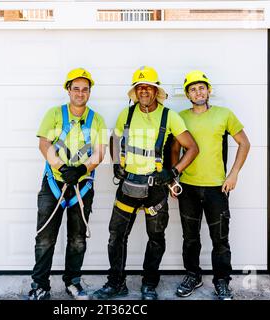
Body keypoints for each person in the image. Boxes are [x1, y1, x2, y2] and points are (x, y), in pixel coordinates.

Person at [92, 66, 198, 300]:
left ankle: (149, 284)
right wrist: (117, 165)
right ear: (135, 92)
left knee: (156, 238)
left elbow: (192, 148)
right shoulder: (126, 114)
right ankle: (116, 283)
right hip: (128, 186)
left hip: (155, 188)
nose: (144, 91)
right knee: (116, 235)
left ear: (155, 91)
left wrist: (173, 172)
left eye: (148, 87)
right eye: (140, 87)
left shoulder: (169, 116)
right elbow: (115, 138)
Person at [28, 68, 107, 300]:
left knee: (77, 239)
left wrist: (82, 170)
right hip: (53, 184)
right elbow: (44, 144)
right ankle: (40, 285)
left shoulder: (97, 120)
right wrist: (62, 168)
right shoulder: (54, 114)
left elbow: (100, 153)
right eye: (76, 89)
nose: (80, 93)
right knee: (45, 238)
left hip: (81, 188)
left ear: (90, 92)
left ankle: (73, 282)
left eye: (85, 89)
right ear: (68, 90)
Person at [173, 70, 250, 300]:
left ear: (209, 90)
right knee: (190, 237)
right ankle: (193, 276)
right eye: (193, 89)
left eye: (202, 87)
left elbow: (244, 143)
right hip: (188, 187)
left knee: (220, 239)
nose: (198, 92)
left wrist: (233, 174)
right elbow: (175, 149)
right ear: (188, 94)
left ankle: (222, 281)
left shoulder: (224, 114)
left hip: (217, 188)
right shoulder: (180, 117)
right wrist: (174, 178)